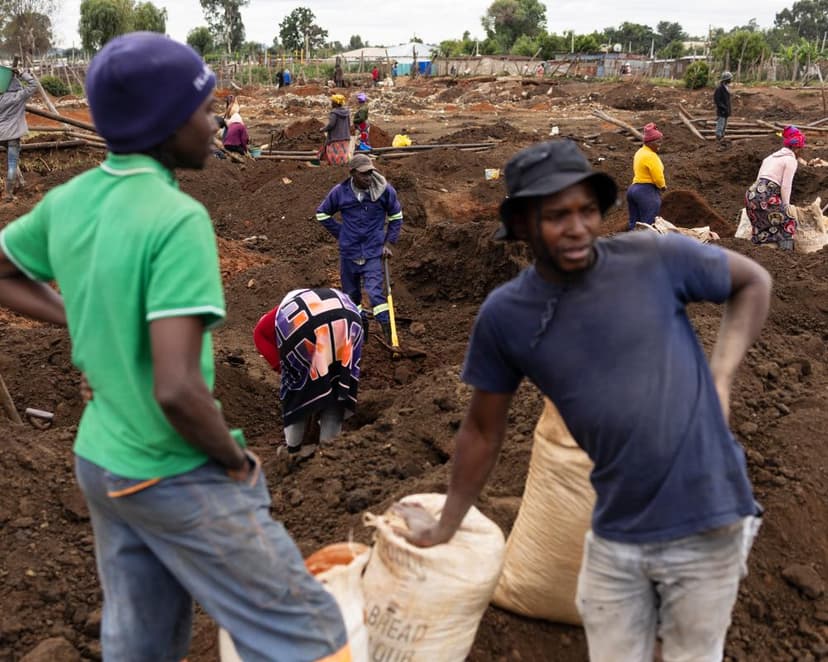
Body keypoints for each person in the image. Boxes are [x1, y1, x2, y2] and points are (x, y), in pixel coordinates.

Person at [0, 32, 349, 661]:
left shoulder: (70, 201)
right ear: (164, 122)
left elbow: (3, 271)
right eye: (205, 108)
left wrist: (81, 321)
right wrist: (237, 465)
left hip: (101, 461)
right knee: (311, 634)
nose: (217, 123)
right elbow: (177, 390)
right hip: (168, 466)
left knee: (142, 644)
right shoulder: (176, 218)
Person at [394, 139, 772, 662]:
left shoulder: (654, 259)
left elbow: (753, 280)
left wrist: (723, 375)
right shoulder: (508, 317)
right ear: (523, 224)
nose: (577, 227)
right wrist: (446, 524)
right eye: (556, 215)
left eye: (587, 211)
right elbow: (482, 430)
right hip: (615, 526)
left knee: (690, 652)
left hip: (708, 514)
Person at [253, 287, 364, 456]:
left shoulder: (273, 319)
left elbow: (259, 334)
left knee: (297, 392)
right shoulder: (302, 298)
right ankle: (328, 452)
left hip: (307, 322)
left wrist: (284, 370)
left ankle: (292, 451)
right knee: (337, 389)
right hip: (349, 314)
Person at [315, 153, 403, 343]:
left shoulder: (384, 191)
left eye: (371, 173)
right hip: (349, 253)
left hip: (373, 251)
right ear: (352, 173)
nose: (369, 177)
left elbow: (396, 217)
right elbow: (322, 214)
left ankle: (389, 334)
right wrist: (342, 233)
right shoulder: (340, 192)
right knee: (351, 297)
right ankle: (361, 332)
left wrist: (388, 243)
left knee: (374, 293)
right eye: (364, 174)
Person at [745, 125, 805, 250]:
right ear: (796, 147)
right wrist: (786, 206)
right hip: (766, 194)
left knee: (760, 225)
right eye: (801, 148)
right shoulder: (790, 160)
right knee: (787, 221)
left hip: (751, 194)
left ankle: (757, 252)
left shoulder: (769, 158)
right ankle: (786, 256)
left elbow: (759, 180)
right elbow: (786, 186)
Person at [0, 67, 36, 202]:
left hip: (0, 136)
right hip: (13, 136)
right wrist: (21, 73)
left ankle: (21, 182)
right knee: (12, 164)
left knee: (11, 162)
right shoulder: (19, 96)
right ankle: (8, 193)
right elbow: (33, 85)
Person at [626, 122, 666, 229]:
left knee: (634, 223)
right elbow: (658, 176)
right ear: (650, 142)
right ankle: (646, 245)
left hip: (633, 190)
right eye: (658, 142)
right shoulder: (651, 156)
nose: (660, 144)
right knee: (648, 225)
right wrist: (662, 186)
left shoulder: (640, 152)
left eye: (661, 142)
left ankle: (632, 243)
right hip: (646, 191)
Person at [321, 93, 351, 165]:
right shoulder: (347, 112)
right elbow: (349, 124)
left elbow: (331, 125)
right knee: (343, 154)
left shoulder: (334, 113)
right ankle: (343, 166)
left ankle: (335, 168)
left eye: (332, 102)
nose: (331, 104)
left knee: (334, 154)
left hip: (336, 138)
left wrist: (323, 129)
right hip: (345, 136)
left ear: (335, 103)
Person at [714, 71, 733, 148]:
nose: (730, 80)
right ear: (726, 80)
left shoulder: (727, 88)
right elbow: (717, 100)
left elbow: (727, 100)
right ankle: (718, 139)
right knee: (720, 125)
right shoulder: (719, 89)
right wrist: (723, 108)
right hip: (722, 111)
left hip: (726, 111)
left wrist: (728, 109)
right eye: (729, 79)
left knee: (724, 126)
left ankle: (722, 138)